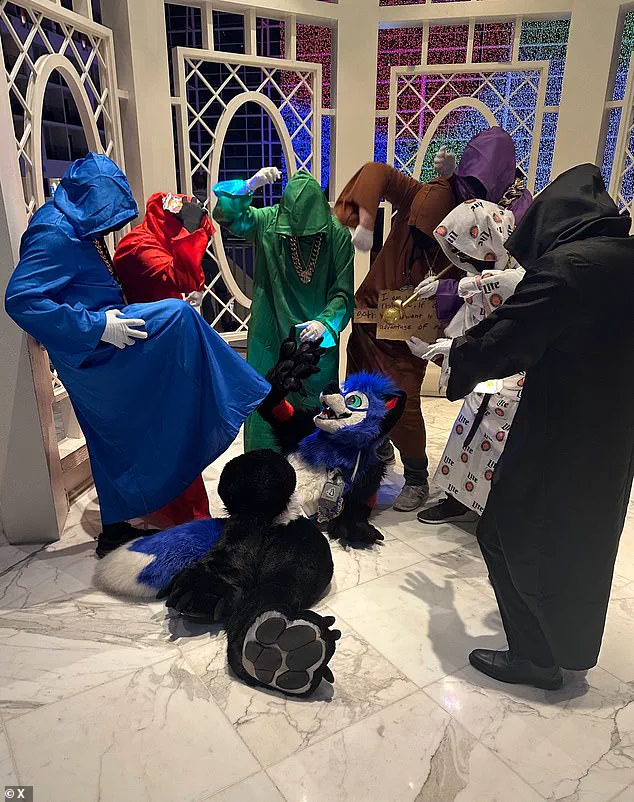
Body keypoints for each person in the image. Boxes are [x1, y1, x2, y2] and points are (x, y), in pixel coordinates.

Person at [417, 164, 634, 689]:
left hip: (560, 428)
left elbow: (510, 337)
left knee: (504, 532)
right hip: (616, 434)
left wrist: (457, 355)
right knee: (585, 540)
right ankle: (569, 644)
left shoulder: (567, 268)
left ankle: (535, 659)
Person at [5, 153, 270, 557]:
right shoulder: (55, 232)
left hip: (104, 340)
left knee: (107, 437)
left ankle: (114, 529)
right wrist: (96, 327)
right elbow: (21, 300)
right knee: (179, 316)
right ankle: (254, 391)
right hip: (94, 347)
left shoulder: (76, 224)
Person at [335, 127, 532, 513]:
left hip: (417, 323)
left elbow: (505, 278)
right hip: (372, 310)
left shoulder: (498, 218)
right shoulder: (421, 194)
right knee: (359, 388)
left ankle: (416, 475)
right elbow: (376, 171)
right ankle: (378, 447)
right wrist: (365, 220)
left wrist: (450, 290)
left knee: (402, 399)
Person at [212, 168, 354, 452]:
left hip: (315, 342)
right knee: (266, 403)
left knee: (316, 410)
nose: (300, 236)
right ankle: (264, 468)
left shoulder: (336, 235)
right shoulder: (269, 222)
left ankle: (316, 469)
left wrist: (326, 324)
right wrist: (247, 185)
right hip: (270, 331)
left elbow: (343, 293)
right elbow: (227, 216)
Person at [407, 200, 525, 525]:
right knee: (466, 437)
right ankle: (458, 499)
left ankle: (494, 513)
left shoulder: (521, 273)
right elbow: (471, 319)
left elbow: (504, 284)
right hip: (485, 374)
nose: (461, 261)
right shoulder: (481, 277)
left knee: (496, 448)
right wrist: (446, 350)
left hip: (513, 379)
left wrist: (450, 287)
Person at [113, 192, 215, 527]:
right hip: (148, 350)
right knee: (169, 432)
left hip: (165, 344)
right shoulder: (139, 245)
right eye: (177, 222)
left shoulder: (154, 239)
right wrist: (190, 233)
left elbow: (189, 278)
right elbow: (184, 278)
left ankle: (180, 511)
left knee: (176, 429)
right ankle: (184, 514)